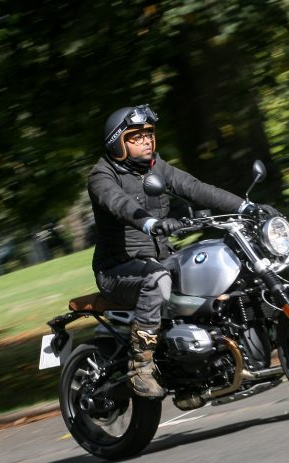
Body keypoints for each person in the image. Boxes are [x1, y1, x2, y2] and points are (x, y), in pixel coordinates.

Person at [87, 104, 279, 398]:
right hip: (117, 269)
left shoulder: (157, 167)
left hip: (160, 260)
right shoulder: (102, 176)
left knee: (214, 267)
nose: (146, 141)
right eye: (136, 136)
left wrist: (246, 208)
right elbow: (119, 204)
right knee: (157, 279)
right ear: (118, 142)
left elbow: (195, 187)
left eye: (149, 134)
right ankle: (141, 367)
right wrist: (150, 223)